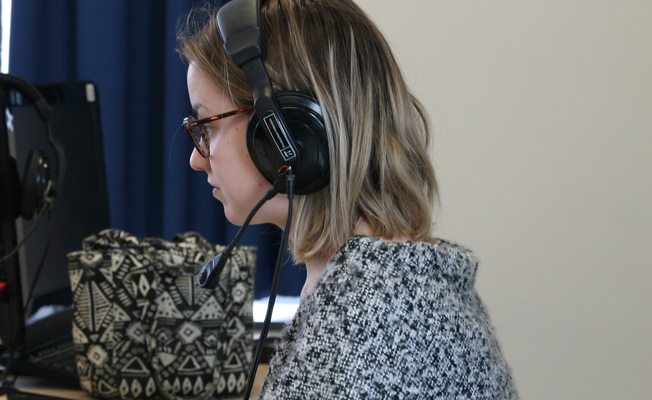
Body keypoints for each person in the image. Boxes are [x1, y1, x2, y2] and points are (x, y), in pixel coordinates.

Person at [176, 0, 517, 398]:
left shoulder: (363, 323)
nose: (196, 159)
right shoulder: (389, 287)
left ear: (291, 134)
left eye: (206, 126)